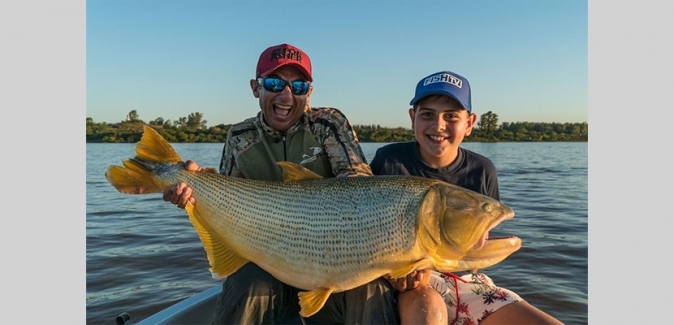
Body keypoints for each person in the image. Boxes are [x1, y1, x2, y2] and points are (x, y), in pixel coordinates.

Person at [162, 43, 399, 325]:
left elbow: (359, 186)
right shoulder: (239, 136)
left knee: (371, 285)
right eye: (275, 83)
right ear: (255, 87)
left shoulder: (328, 123)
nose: (286, 95)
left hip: (333, 253)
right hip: (265, 256)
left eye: (298, 86)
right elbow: (225, 207)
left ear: (309, 92)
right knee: (246, 283)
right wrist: (196, 191)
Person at [371, 71, 564, 325]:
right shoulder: (388, 160)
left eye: (451, 116)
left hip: (466, 281)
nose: (438, 125)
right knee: (428, 311)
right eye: (427, 114)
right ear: (412, 118)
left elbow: (478, 249)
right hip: (411, 284)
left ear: (470, 123)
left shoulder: (482, 170)